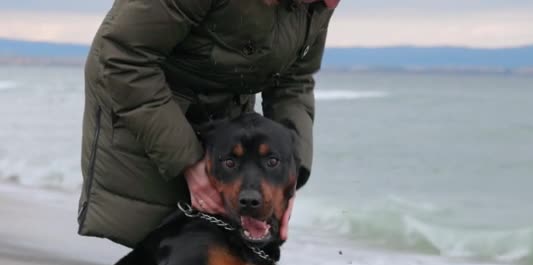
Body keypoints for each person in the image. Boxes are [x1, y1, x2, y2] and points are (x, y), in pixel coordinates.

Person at [77, 0, 338, 247]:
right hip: (143, 101)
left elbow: (293, 82)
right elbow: (122, 58)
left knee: (212, 253)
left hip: (224, 124)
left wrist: (290, 174)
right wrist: (187, 161)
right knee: (160, 253)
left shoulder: (318, 3)